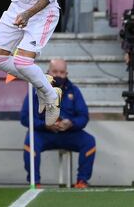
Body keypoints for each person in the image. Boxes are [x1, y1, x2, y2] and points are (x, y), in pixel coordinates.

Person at [20, 58, 96, 188]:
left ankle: (81, 181)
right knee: (30, 142)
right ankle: (35, 182)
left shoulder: (74, 91)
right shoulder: (35, 90)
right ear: (48, 72)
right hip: (43, 134)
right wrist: (45, 124)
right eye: (55, 71)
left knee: (89, 142)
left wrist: (71, 123)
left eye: (61, 72)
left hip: (68, 134)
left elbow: (84, 116)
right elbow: (25, 117)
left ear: (66, 74)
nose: (58, 75)